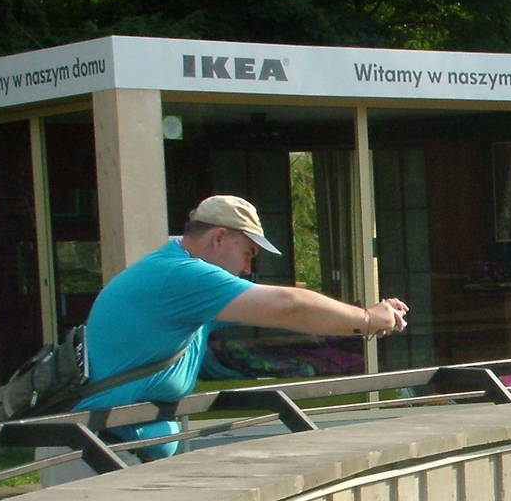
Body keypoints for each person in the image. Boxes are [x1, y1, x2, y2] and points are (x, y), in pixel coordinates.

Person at [75, 194, 409, 459]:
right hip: (94, 449)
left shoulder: (177, 272)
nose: (249, 268)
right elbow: (287, 307)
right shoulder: (183, 276)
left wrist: (362, 313)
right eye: (248, 253)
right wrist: (365, 319)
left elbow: (281, 309)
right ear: (219, 238)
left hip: (111, 445)